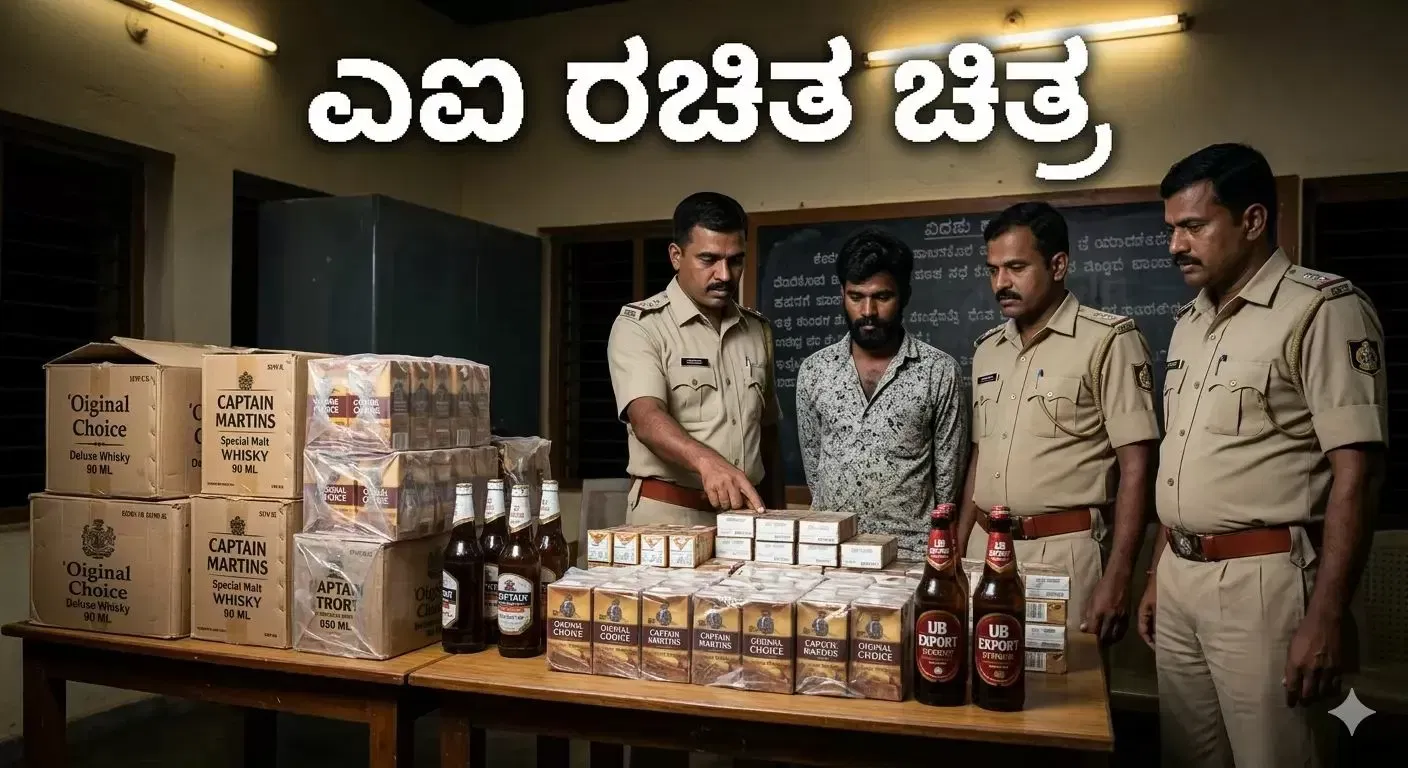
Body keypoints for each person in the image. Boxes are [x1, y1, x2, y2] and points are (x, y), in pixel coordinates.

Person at [1136, 143, 1386, 768]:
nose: (1175, 245)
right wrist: (1160, 571)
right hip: (1180, 576)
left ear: (1252, 221)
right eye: (1171, 229)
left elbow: (1357, 473)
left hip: (1265, 580)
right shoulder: (1189, 321)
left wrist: (1326, 616)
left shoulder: (1322, 309)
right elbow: (1185, 459)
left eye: (1193, 226)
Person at [955, 202, 1159, 643]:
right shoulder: (988, 350)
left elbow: (1138, 467)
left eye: (1016, 267)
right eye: (993, 270)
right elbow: (980, 456)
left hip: (1062, 553)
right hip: (983, 550)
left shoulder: (1108, 342)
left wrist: (1120, 577)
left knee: (1066, 683)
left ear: (1058, 265)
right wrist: (957, 547)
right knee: (981, 677)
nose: (1001, 283)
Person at [607, 191, 785, 526]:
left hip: (748, 519)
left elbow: (768, 434)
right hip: (669, 518)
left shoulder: (758, 330)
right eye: (709, 259)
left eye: (735, 260)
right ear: (676, 256)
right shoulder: (641, 326)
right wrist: (707, 462)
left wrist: (778, 518)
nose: (725, 275)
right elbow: (646, 418)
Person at [794, 227, 968, 558]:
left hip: (910, 555)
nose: (868, 311)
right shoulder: (814, 371)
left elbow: (948, 485)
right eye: (856, 296)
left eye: (882, 297)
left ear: (905, 295)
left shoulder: (939, 371)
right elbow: (814, 471)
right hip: (830, 551)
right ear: (842, 293)